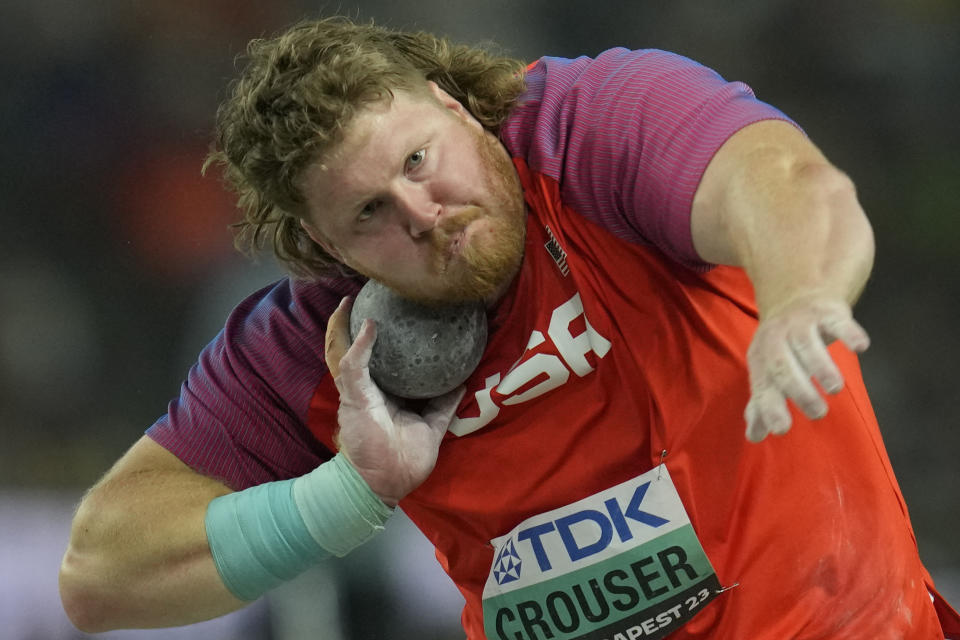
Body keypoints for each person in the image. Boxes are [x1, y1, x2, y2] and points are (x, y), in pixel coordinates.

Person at [59, 16, 960, 640]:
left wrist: (799, 296)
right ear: (319, 246)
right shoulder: (313, 340)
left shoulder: (594, 130)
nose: (422, 213)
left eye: (419, 159)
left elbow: (792, 185)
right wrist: (348, 492)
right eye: (370, 211)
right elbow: (99, 577)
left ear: (455, 105)